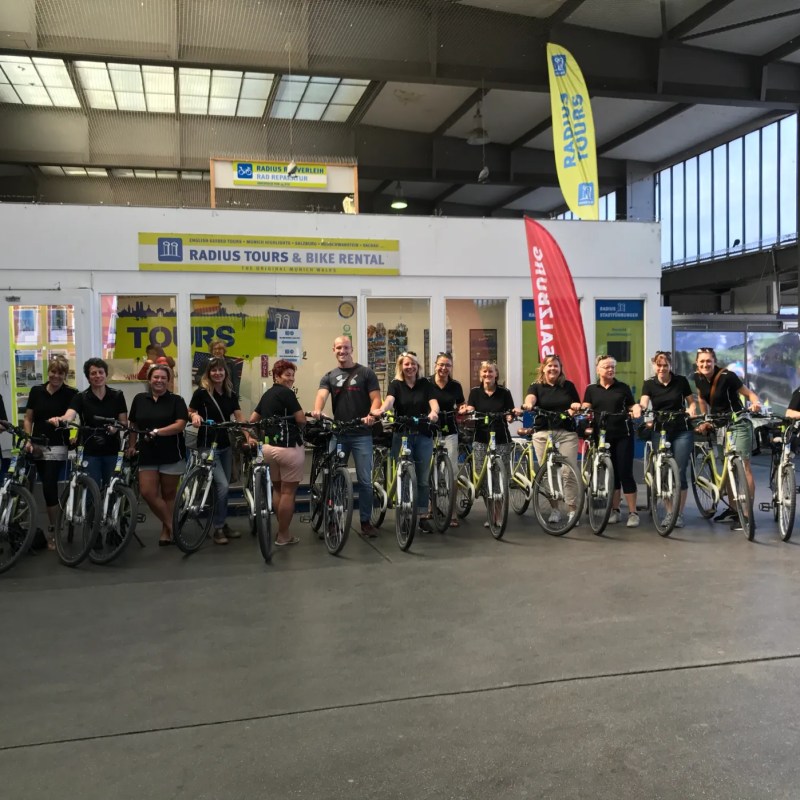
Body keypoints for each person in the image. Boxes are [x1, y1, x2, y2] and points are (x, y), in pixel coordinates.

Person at [313, 336, 382, 538]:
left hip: (362, 434)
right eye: (338, 348)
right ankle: (333, 521)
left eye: (346, 347)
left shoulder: (366, 373)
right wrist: (317, 410)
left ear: (352, 349)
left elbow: (376, 398)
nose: (342, 351)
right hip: (339, 433)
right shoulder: (329, 376)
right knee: (335, 479)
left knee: (365, 481)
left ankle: (365, 521)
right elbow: (321, 395)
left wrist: (372, 414)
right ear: (333, 349)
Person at [693, 346, 761, 530]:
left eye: (709, 361)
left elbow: (748, 393)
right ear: (697, 364)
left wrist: (755, 403)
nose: (705, 364)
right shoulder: (698, 377)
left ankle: (746, 515)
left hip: (738, 422)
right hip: (719, 425)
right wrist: (705, 418)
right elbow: (701, 397)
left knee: (742, 464)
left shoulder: (727, 376)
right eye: (702, 362)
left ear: (714, 361)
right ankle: (733, 509)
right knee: (727, 467)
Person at [376, 352, 440, 532]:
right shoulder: (396, 384)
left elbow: (433, 402)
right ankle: (404, 513)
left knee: (422, 477)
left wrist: (433, 412)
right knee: (403, 473)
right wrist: (382, 409)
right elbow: (389, 401)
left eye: (412, 364)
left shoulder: (425, 384)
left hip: (423, 433)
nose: (410, 367)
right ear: (400, 367)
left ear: (417, 366)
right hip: (402, 433)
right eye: (406, 364)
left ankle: (420, 515)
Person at [188, 357, 247, 545]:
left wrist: (248, 435)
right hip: (207, 445)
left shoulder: (230, 393)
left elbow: (239, 416)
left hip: (225, 445)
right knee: (221, 485)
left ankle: (220, 523)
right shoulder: (201, 393)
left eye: (221, 370)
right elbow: (189, 411)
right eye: (214, 370)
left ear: (226, 373)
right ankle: (219, 527)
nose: (217, 373)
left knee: (223, 487)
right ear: (208, 373)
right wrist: (195, 415)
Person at [128, 364, 188, 546]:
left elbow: (180, 425)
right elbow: (133, 425)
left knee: (168, 495)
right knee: (148, 492)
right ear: (149, 379)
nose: (159, 380)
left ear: (168, 381)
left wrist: (157, 431)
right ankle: (173, 525)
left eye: (163, 378)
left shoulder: (176, 400)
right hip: (147, 453)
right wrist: (131, 445)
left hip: (171, 453)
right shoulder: (139, 399)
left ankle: (165, 531)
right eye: (156, 377)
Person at [250, 360, 306, 546]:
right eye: (287, 375)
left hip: (268, 449)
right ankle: (283, 535)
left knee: (278, 489)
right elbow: (300, 419)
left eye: (292, 374)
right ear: (276, 376)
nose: (291, 378)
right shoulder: (287, 393)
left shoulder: (267, 394)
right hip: (288, 447)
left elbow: (253, 419)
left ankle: (280, 531)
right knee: (288, 492)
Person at [639, 351, 697, 529]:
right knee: (664, 470)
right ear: (654, 365)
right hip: (660, 429)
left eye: (665, 365)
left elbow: (691, 402)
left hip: (681, 429)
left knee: (679, 470)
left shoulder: (681, 381)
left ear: (671, 366)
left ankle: (678, 514)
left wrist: (692, 410)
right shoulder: (649, 383)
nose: (662, 368)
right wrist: (638, 407)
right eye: (659, 365)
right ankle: (670, 511)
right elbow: (643, 403)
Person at [49, 357, 128, 490]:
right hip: (89, 450)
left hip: (112, 449)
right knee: (92, 490)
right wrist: (60, 419)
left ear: (106, 374)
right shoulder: (81, 397)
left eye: (100, 372)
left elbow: (123, 422)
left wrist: (115, 428)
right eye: (93, 373)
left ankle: (110, 512)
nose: (97, 376)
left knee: (113, 489)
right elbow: (70, 415)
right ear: (88, 377)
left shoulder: (117, 395)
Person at [24, 355, 78, 549]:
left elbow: (71, 418)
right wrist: (28, 438)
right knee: (26, 480)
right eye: (53, 372)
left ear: (65, 375)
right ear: (49, 372)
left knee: (48, 486)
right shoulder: (36, 391)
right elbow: (28, 418)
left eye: (61, 373)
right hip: (36, 444)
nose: (56, 376)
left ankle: (54, 529)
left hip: (57, 445)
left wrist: (72, 434)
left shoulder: (71, 393)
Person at [583, 354, 642, 528]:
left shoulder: (622, 387)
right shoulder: (591, 389)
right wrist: (579, 407)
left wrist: (636, 407)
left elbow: (631, 405)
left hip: (623, 434)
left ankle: (633, 513)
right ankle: (615, 510)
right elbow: (586, 405)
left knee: (625, 472)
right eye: (606, 367)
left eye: (612, 367)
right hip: (601, 436)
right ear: (598, 369)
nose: (610, 370)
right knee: (612, 475)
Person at [521, 354, 582, 518]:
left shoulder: (568, 386)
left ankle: (572, 510)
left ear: (560, 369)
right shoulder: (536, 386)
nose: (553, 368)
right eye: (549, 365)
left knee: (569, 471)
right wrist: (528, 404)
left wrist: (575, 406)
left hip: (566, 432)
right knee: (548, 472)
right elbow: (530, 398)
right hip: (543, 432)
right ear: (543, 368)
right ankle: (554, 509)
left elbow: (574, 404)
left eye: (556, 366)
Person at [464, 361, 516, 527]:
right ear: (481, 375)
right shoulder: (475, 392)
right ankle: (490, 512)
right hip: (481, 438)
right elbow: (471, 407)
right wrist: (469, 410)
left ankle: (498, 514)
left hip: (501, 438)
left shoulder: (504, 392)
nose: (488, 375)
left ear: (496, 374)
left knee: (499, 478)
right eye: (485, 372)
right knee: (485, 479)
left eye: (491, 372)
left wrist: (510, 416)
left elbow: (510, 412)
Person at [429, 351, 465, 527]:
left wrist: (463, 409)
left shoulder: (455, 385)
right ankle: (430, 507)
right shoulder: (426, 383)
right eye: (441, 364)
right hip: (429, 430)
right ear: (435, 364)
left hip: (450, 429)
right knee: (429, 470)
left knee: (451, 471)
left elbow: (460, 405)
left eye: (448, 365)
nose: (444, 368)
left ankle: (452, 512)